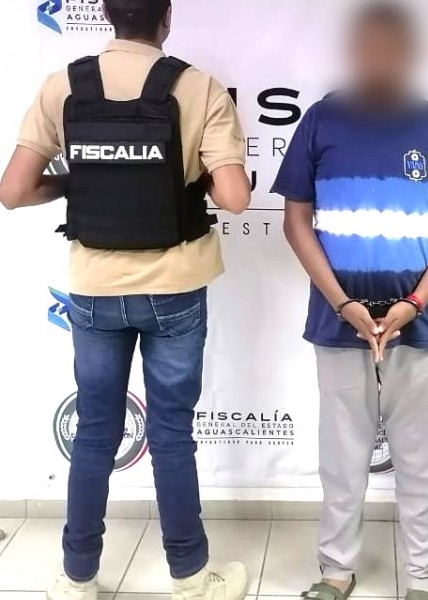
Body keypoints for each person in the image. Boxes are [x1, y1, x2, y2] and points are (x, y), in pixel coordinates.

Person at [0, 1, 252, 599]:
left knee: (94, 433)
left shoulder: (63, 86)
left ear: (106, 14)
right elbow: (235, 197)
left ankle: (77, 578)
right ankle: (191, 577)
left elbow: (13, 191)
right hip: (175, 287)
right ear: (167, 18)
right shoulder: (199, 87)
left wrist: (75, 182)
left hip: (94, 289)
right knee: (170, 435)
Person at [272, 3, 428, 599]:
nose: (380, 59)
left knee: (421, 462)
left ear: (410, 54)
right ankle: (336, 571)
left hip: (420, 321)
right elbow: (296, 222)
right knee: (341, 460)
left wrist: (415, 301)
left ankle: (420, 579)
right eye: (369, 47)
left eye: (392, 48)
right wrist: (342, 304)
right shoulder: (320, 121)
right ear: (354, 52)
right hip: (339, 321)